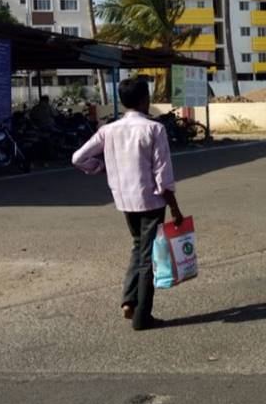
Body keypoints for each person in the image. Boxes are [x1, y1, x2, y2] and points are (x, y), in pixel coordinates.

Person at [72, 77, 184, 331]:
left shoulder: (109, 130)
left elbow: (77, 157)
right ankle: (142, 316)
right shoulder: (154, 129)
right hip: (151, 200)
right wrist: (175, 209)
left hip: (124, 198)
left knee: (138, 247)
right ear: (145, 100)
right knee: (147, 257)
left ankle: (129, 299)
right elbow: (163, 176)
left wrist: (99, 168)